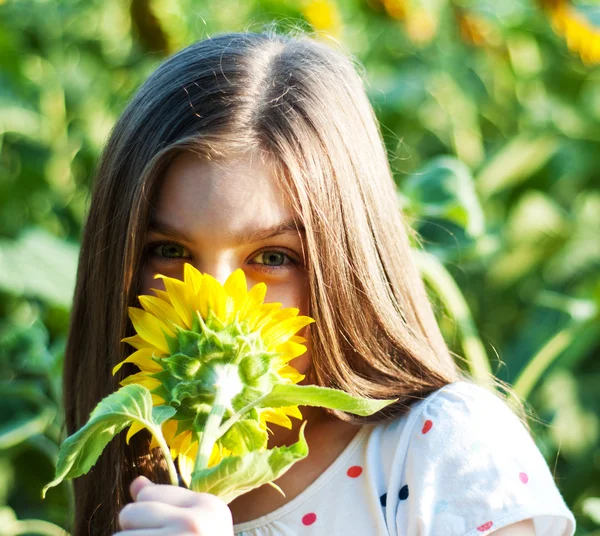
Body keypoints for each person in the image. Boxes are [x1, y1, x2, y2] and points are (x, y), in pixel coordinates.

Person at [63, 28, 576, 536]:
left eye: (271, 256)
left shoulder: (442, 448)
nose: (214, 305)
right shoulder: (138, 472)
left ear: (345, 263)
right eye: (169, 252)